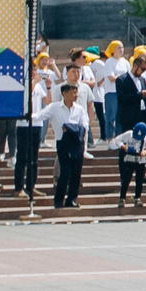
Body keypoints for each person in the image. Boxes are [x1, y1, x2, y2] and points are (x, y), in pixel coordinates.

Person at [40, 80, 90, 208]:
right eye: (73, 92)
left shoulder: (79, 109)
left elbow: (84, 125)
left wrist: (70, 128)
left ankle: (71, 199)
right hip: (63, 143)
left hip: (77, 144)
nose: (76, 95)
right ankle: (58, 200)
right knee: (65, 173)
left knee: (76, 174)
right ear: (64, 93)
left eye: (76, 92)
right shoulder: (55, 107)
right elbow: (41, 115)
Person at [114, 116, 146, 207]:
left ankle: (137, 198)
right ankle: (122, 198)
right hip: (129, 160)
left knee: (139, 180)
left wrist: (145, 152)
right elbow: (117, 139)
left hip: (140, 161)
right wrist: (123, 146)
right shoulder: (129, 134)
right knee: (126, 179)